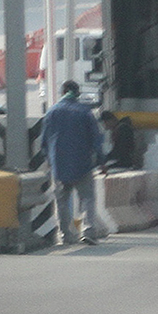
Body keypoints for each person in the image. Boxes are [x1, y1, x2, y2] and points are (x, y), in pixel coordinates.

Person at [41, 80, 105, 245]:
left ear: (63, 92)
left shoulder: (51, 112)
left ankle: (66, 236)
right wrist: (101, 160)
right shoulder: (85, 112)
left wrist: (49, 161)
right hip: (82, 164)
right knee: (87, 198)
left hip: (59, 165)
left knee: (61, 202)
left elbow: (44, 142)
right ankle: (88, 231)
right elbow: (96, 139)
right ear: (77, 93)